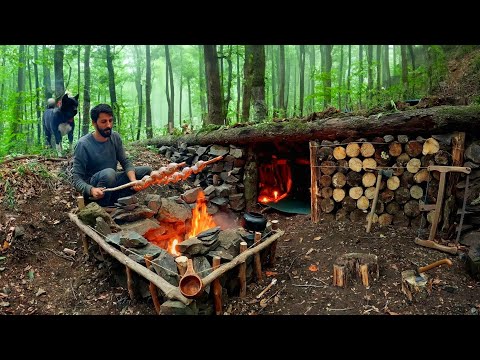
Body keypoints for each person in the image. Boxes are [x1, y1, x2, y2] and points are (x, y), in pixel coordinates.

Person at [72, 103, 152, 207]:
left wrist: (133, 181)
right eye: (103, 122)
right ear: (94, 123)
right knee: (109, 173)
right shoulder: (83, 145)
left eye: (110, 120)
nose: (108, 125)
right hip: (95, 189)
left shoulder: (115, 137)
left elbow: (125, 162)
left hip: (112, 183)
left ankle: (116, 200)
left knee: (146, 171)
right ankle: (101, 206)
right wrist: (91, 190)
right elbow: (77, 178)